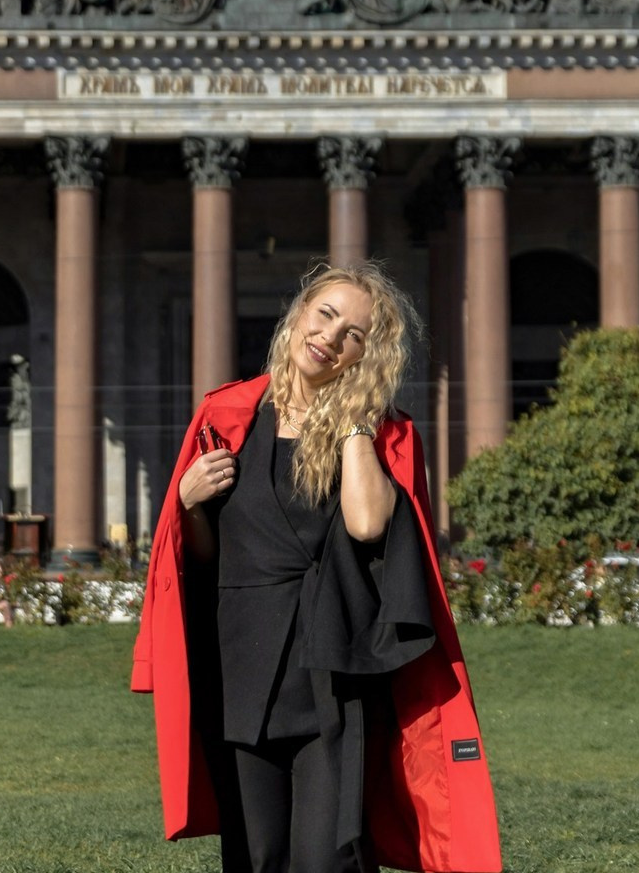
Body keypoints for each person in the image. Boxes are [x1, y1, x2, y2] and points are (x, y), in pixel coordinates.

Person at [132, 263, 502, 873]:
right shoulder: (227, 415)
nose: (331, 337)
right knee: (257, 855)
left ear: (367, 354)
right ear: (300, 312)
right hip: (242, 666)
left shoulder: (383, 434)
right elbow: (201, 557)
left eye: (354, 334)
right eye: (326, 315)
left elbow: (367, 523)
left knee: (330, 857)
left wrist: (354, 415)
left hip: (337, 672)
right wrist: (190, 504)